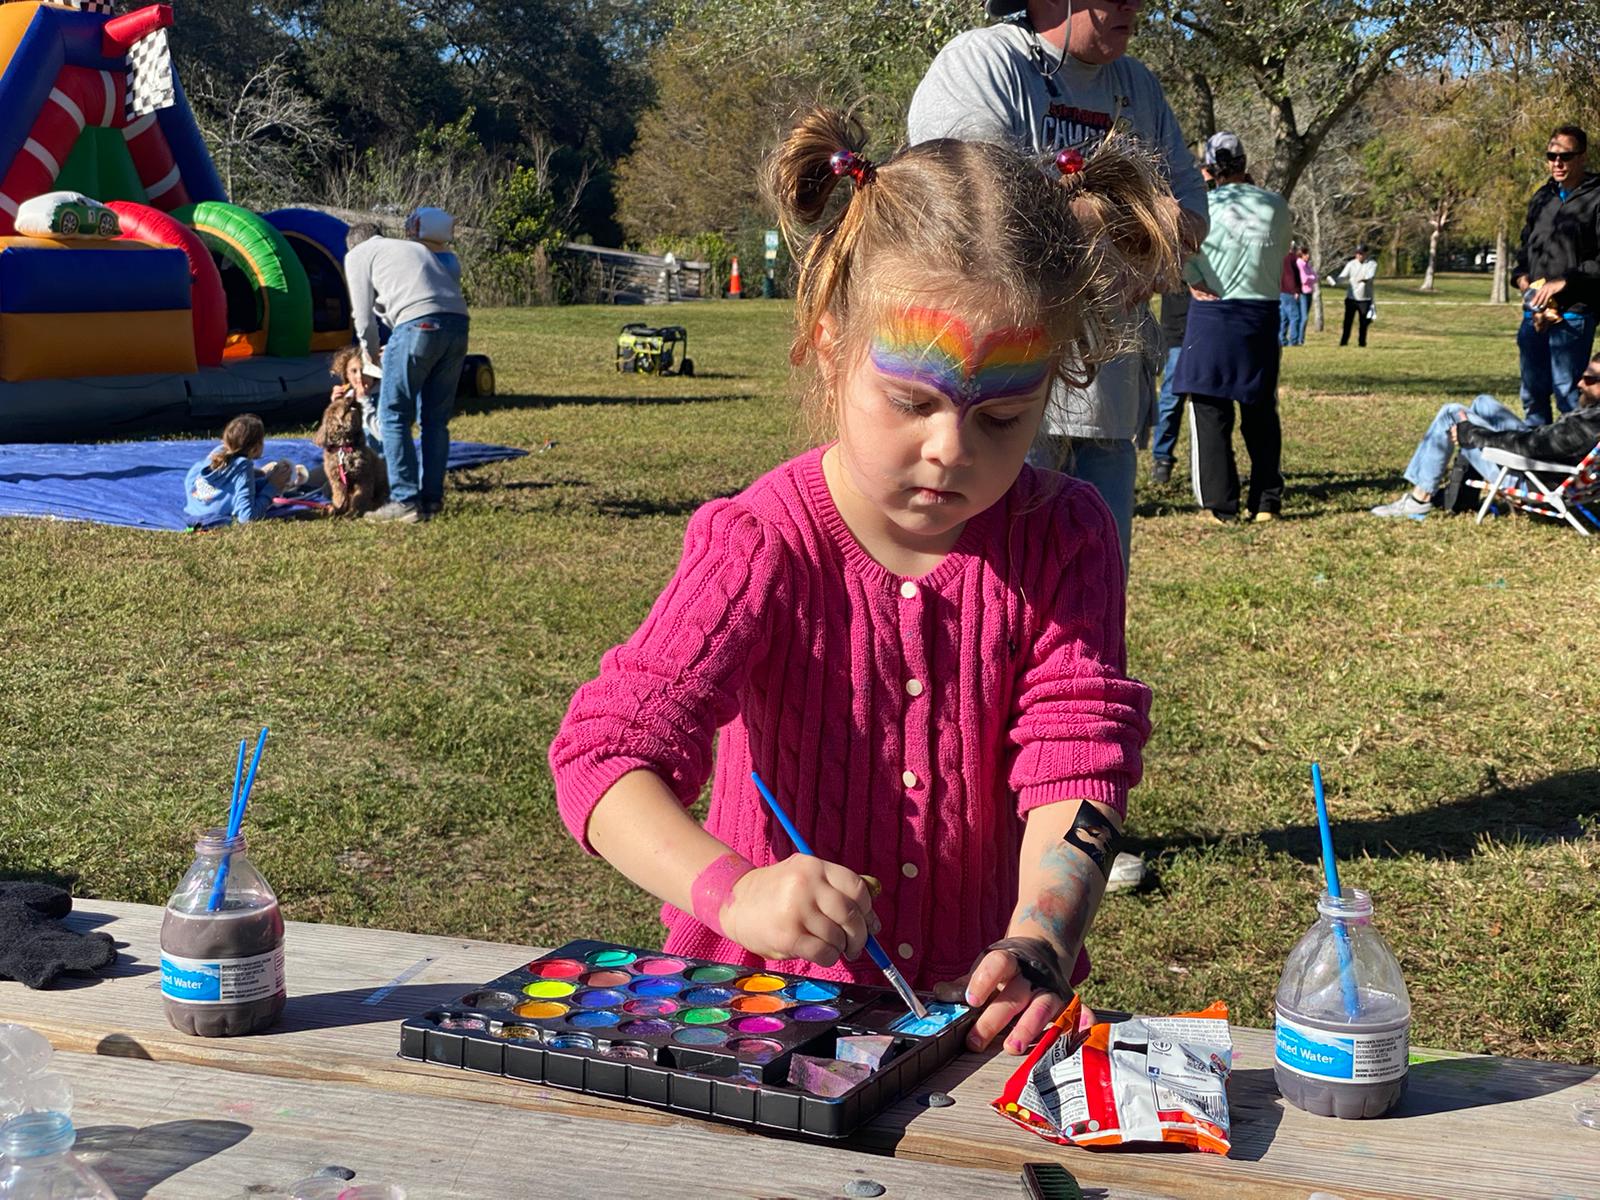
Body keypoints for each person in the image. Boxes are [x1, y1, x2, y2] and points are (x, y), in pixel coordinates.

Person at [549, 108, 1181, 1056]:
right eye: (912, 401)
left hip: (981, 1020)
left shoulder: (1067, 537)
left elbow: (1077, 758)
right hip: (757, 1018)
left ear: (1058, 380)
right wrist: (737, 890)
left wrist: (1046, 928)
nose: (950, 450)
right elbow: (602, 760)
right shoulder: (760, 542)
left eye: (1005, 418)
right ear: (830, 341)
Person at [907, 0, 1208, 574]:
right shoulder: (985, 64)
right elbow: (979, 211)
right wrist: (1137, 226)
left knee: (1095, 603)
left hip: (1108, 404)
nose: (1132, 7)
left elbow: (1190, 215)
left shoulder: (1137, 86)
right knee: (992, 598)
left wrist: (1089, 225)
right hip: (996, 403)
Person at [1173, 132, 1292, 524]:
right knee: (1260, 411)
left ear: (1209, 168)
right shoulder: (1276, 205)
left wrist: (1193, 278)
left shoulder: (1201, 205)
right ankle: (1266, 501)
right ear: (1244, 163)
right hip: (1260, 315)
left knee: (1210, 412)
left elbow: (1178, 249)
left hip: (1212, 311)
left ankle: (1220, 506)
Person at [344, 220, 470, 523]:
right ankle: (431, 500)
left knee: (393, 415)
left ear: (352, 245)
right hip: (457, 323)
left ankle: (404, 501)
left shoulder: (358, 255)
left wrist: (369, 358)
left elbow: (362, 317)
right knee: (435, 420)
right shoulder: (410, 247)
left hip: (417, 323)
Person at [1369, 354, 1600, 519]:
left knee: (1451, 413)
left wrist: (1474, 434)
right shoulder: (1591, 416)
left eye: (1589, 380)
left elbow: (1530, 447)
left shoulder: (1588, 424)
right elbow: (1541, 442)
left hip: (1530, 478)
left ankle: (1419, 500)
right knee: (1483, 403)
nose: (1579, 383)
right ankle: (1459, 494)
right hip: (1550, 466)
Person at [1512, 124, 1600, 426]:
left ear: (1582, 157)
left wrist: (1564, 282)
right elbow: (1526, 247)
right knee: (1532, 392)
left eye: (1565, 156)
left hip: (1574, 314)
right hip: (1535, 313)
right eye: (1551, 156)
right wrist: (1521, 277)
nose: (1557, 163)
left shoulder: (1596, 196)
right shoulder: (1542, 197)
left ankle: (1568, 464)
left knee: (1567, 393)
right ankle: (1538, 463)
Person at [183, 413, 295, 526]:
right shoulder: (243, 466)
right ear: (255, 448)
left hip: (195, 509)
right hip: (210, 515)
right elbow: (247, 517)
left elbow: (228, 474)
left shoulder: (220, 452)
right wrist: (273, 486)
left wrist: (260, 473)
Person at [1148, 286, 1189, 483]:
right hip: (1177, 336)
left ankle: (1208, 466)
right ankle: (1162, 459)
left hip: (1207, 332)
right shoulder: (1174, 257)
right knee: (1171, 400)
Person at [329, 345, 383, 457]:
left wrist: (364, 400)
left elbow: (383, 434)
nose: (359, 376)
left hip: (380, 461)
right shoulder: (348, 396)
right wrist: (337, 406)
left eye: (365, 370)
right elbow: (337, 435)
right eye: (354, 371)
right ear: (346, 375)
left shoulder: (384, 396)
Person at [1330, 245, 1377, 347]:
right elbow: (1343, 276)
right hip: (1351, 298)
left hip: (1365, 298)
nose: (1358, 255)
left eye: (1361, 253)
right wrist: (1335, 280)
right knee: (1347, 321)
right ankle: (1343, 342)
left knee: (1363, 322)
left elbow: (1370, 276)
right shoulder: (1351, 264)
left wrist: (1364, 280)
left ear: (1366, 254)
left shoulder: (1372, 264)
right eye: (1357, 253)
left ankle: (1362, 343)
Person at [1279, 242, 1303, 347]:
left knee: (1283, 317)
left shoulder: (1279, 257)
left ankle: (1281, 339)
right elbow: (1292, 275)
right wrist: (1296, 290)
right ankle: (1293, 340)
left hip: (1281, 290)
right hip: (1290, 291)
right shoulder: (1292, 259)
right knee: (1295, 317)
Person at [1294, 246, 1317, 344]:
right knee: (1303, 317)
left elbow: (1315, 277)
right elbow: (1304, 279)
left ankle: (1301, 338)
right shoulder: (1300, 263)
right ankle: (1299, 339)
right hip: (1303, 293)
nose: (1308, 256)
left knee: (1305, 316)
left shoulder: (1307, 265)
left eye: (1308, 254)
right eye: (1305, 254)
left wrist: (1311, 277)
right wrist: (1312, 277)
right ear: (1301, 254)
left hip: (1309, 292)